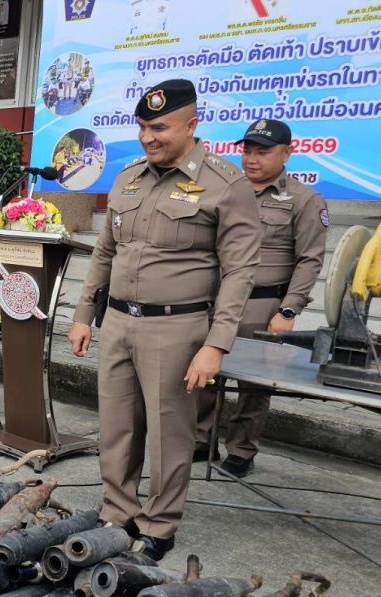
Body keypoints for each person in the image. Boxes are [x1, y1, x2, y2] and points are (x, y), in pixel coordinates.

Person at [67, 79, 260, 560]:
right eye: (142, 127)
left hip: (178, 329)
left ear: (192, 125)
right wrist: (84, 313)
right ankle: (118, 512)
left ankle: (159, 526)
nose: (148, 137)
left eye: (160, 127)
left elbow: (239, 271)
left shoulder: (225, 185)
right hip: (118, 323)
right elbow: (106, 253)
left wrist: (216, 344)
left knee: (170, 434)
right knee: (116, 428)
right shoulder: (129, 177)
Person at [195, 118, 328, 478]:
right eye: (247, 151)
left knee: (255, 383)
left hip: (264, 304)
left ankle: (241, 449)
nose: (252, 159)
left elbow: (309, 260)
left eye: (262, 152)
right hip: (216, 298)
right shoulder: (224, 191)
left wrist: (289, 308)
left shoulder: (304, 200)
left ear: (287, 153)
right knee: (203, 372)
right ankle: (200, 437)